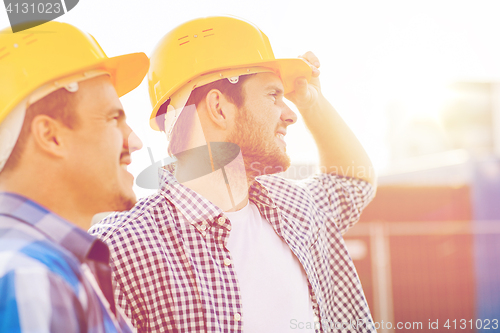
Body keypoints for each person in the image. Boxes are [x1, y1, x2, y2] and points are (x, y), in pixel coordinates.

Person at [90, 16, 377, 332]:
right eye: (273, 95)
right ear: (219, 108)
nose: (291, 114)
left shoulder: (292, 205)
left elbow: (353, 183)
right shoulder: (119, 251)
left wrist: (313, 103)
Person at [0, 21, 148, 332]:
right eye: (113, 118)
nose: (134, 142)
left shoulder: (53, 268)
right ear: (51, 136)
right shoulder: (33, 277)